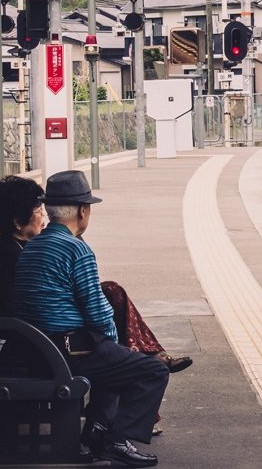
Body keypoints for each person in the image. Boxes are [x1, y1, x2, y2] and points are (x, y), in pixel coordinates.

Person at [12, 171, 168, 467]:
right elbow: (98, 313)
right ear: (83, 211)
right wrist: (113, 341)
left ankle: (97, 431)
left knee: (114, 360)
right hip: (66, 351)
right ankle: (116, 439)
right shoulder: (76, 248)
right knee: (151, 371)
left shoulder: (31, 247)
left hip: (33, 350)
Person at [0, 176, 192, 371]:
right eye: (38, 211)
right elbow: (31, 306)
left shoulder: (26, 246)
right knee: (138, 362)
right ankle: (141, 354)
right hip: (39, 338)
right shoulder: (10, 254)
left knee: (111, 292)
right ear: (18, 221)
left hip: (43, 334)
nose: (43, 217)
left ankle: (145, 351)